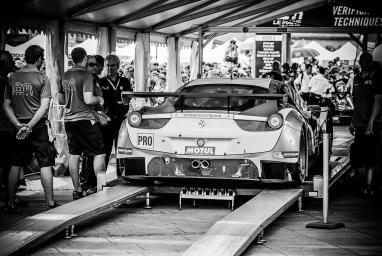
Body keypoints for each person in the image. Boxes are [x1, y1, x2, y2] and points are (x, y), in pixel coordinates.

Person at [3, 45, 58, 211]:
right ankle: (50, 202)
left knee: (15, 163)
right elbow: (43, 107)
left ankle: (10, 203)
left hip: (18, 126)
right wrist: (29, 126)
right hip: (37, 126)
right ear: (40, 59)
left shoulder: (12, 77)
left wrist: (19, 125)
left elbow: (6, 105)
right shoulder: (42, 78)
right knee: (45, 164)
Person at [58, 47, 106, 200]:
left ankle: (77, 189)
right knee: (99, 153)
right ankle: (101, 187)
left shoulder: (65, 75)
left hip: (69, 120)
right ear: (84, 59)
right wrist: (99, 99)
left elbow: (60, 100)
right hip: (85, 120)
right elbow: (88, 99)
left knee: (74, 155)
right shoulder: (86, 75)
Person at [349, 52, 382, 196]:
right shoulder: (356, 78)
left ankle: (369, 185)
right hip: (359, 124)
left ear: (372, 62)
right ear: (360, 63)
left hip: (372, 125)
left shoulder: (377, 78)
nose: (366, 62)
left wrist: (371, 123)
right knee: (358, 154)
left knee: (371, 157)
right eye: (364, 60)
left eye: (369, 60)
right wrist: (352, 121)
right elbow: (356, 102)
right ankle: (360, 177)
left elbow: (378, 101)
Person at [79, 55, 107, 196]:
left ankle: (95, 186)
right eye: (91, 64)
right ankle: (89, 186)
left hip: (94, 120)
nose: (95, 67)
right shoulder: (85, 79)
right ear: (85, 65)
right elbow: (85, 104)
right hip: (87, 121)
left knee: (95, 155)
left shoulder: (94, 80)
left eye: (96, 64)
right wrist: (98, 116)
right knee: (95, 155)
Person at [99, 55, 132, 169]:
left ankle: (122, 177)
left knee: (122, 150)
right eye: (108, 65)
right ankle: (101, 182)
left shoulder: (125, 81)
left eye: (113, 65)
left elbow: (128, 99)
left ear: (118, 66)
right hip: (106, 122)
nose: (110, 68)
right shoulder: (101, 82)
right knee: (104, 153)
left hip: (121, 121)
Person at [0, 51, 15, 204]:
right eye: (10, 61)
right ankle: (5, 196)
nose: (12, 64)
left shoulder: (6, 80)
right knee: (5, 163)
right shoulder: (4, 83)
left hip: (5, 126)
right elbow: (8, 105)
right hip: (5, 127)